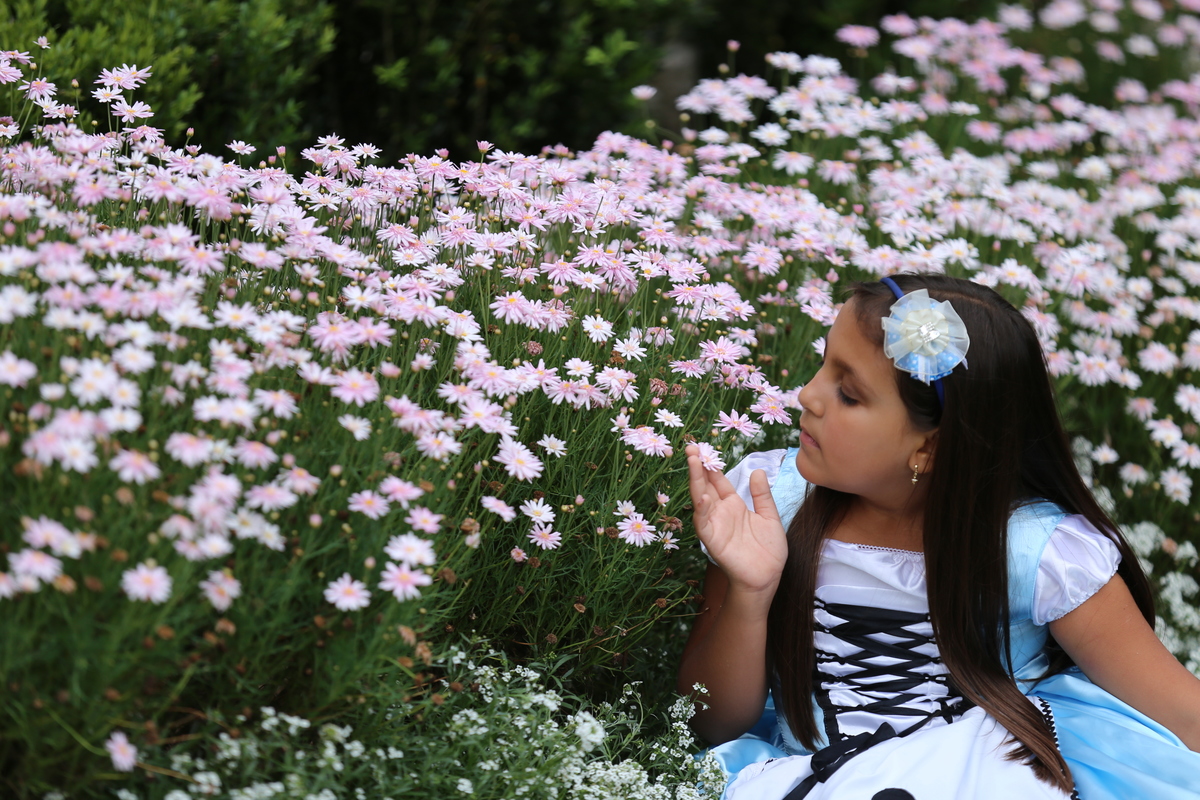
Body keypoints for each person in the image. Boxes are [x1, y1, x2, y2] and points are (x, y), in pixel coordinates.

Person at [679, 274, 1200, 800]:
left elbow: (1185, 714)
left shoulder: (1036, 551)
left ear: (928, 448)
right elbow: (709, 722)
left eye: (849, 393)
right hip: (809, 778)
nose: (807, 395)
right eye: (824, 363)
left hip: (980, 778)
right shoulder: (772, 504)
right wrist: (751, 593)